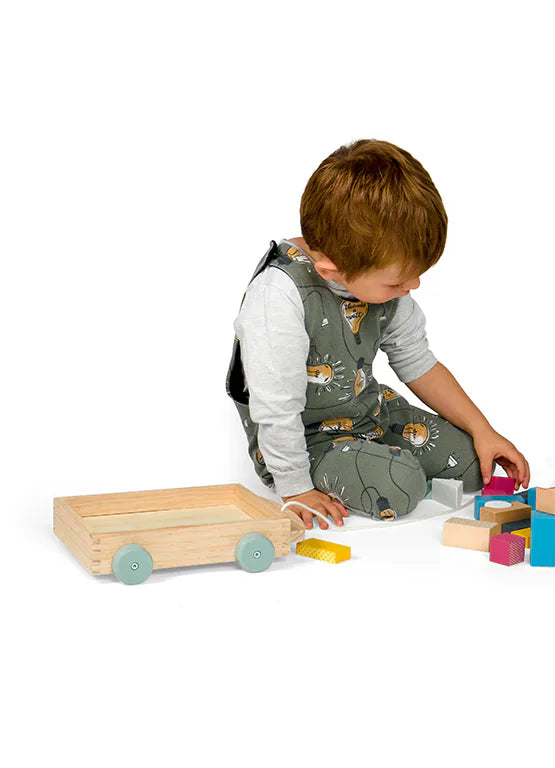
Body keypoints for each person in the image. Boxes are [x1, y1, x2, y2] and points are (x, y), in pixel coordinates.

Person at [226, 139, 530, 531]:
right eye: (397, 281)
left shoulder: (380, 280)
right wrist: (295, 486)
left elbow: (418, 362)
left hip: (366, 411)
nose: (413, 286)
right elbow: (276, 406)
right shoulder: (279, 297)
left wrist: (483, 430)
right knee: (402, 487)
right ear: (331, 270)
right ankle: (365, 463)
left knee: (473, 467)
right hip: (304, 437)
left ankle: (375, 453)